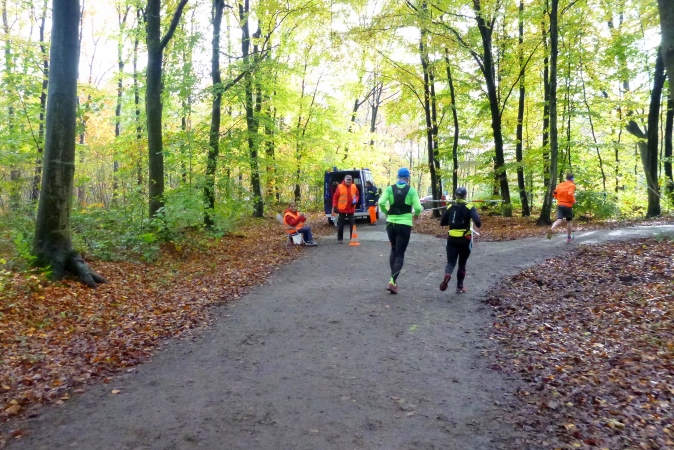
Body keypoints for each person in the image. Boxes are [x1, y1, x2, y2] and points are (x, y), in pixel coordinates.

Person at [378, 168, 422, 294]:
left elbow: (381, 202)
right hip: (404, 224)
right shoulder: (411, 190)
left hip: (390, 223)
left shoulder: (389, 189)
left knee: (393, 249)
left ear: (398, 177)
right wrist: (416, 215)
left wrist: (386, 212)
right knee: (400, 253)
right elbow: (418, 207)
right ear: (408, 178)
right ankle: (392, 281)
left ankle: (393, 281)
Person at [439, 187, 482, 294]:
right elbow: (478, 223)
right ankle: (459, 287)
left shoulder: (450, 206)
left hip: (452, 238)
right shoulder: (469, 207)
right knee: (462, 263)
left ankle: (448, 274)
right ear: (465, 195)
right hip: (465, 239)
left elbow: (442, 222)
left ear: (456, 195)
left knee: (451, 262)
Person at [547, 173, 576, 243]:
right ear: (572, 179)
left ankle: (552, 228)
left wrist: (559, 199)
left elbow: (554, 193)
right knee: (569, 221)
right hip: (567, 205)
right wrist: (573, 201)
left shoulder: (560, 185)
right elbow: (570, 194)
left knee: (559, 220)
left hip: (560, 204)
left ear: (566, 178)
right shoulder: (572, 185)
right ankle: (569, 237)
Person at [332, 175, 359, 243]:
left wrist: (355, 201)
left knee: (352, 223)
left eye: (350, 180)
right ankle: (340, 239)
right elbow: (335, 197)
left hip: (351, 208)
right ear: (345, 180)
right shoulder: (340, 187)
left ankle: (352, 238)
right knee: (341, 224)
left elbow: (357, 195)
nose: (349, 181)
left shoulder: (354, 186)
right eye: (348, 180)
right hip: (342, 208)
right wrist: (335, 206)